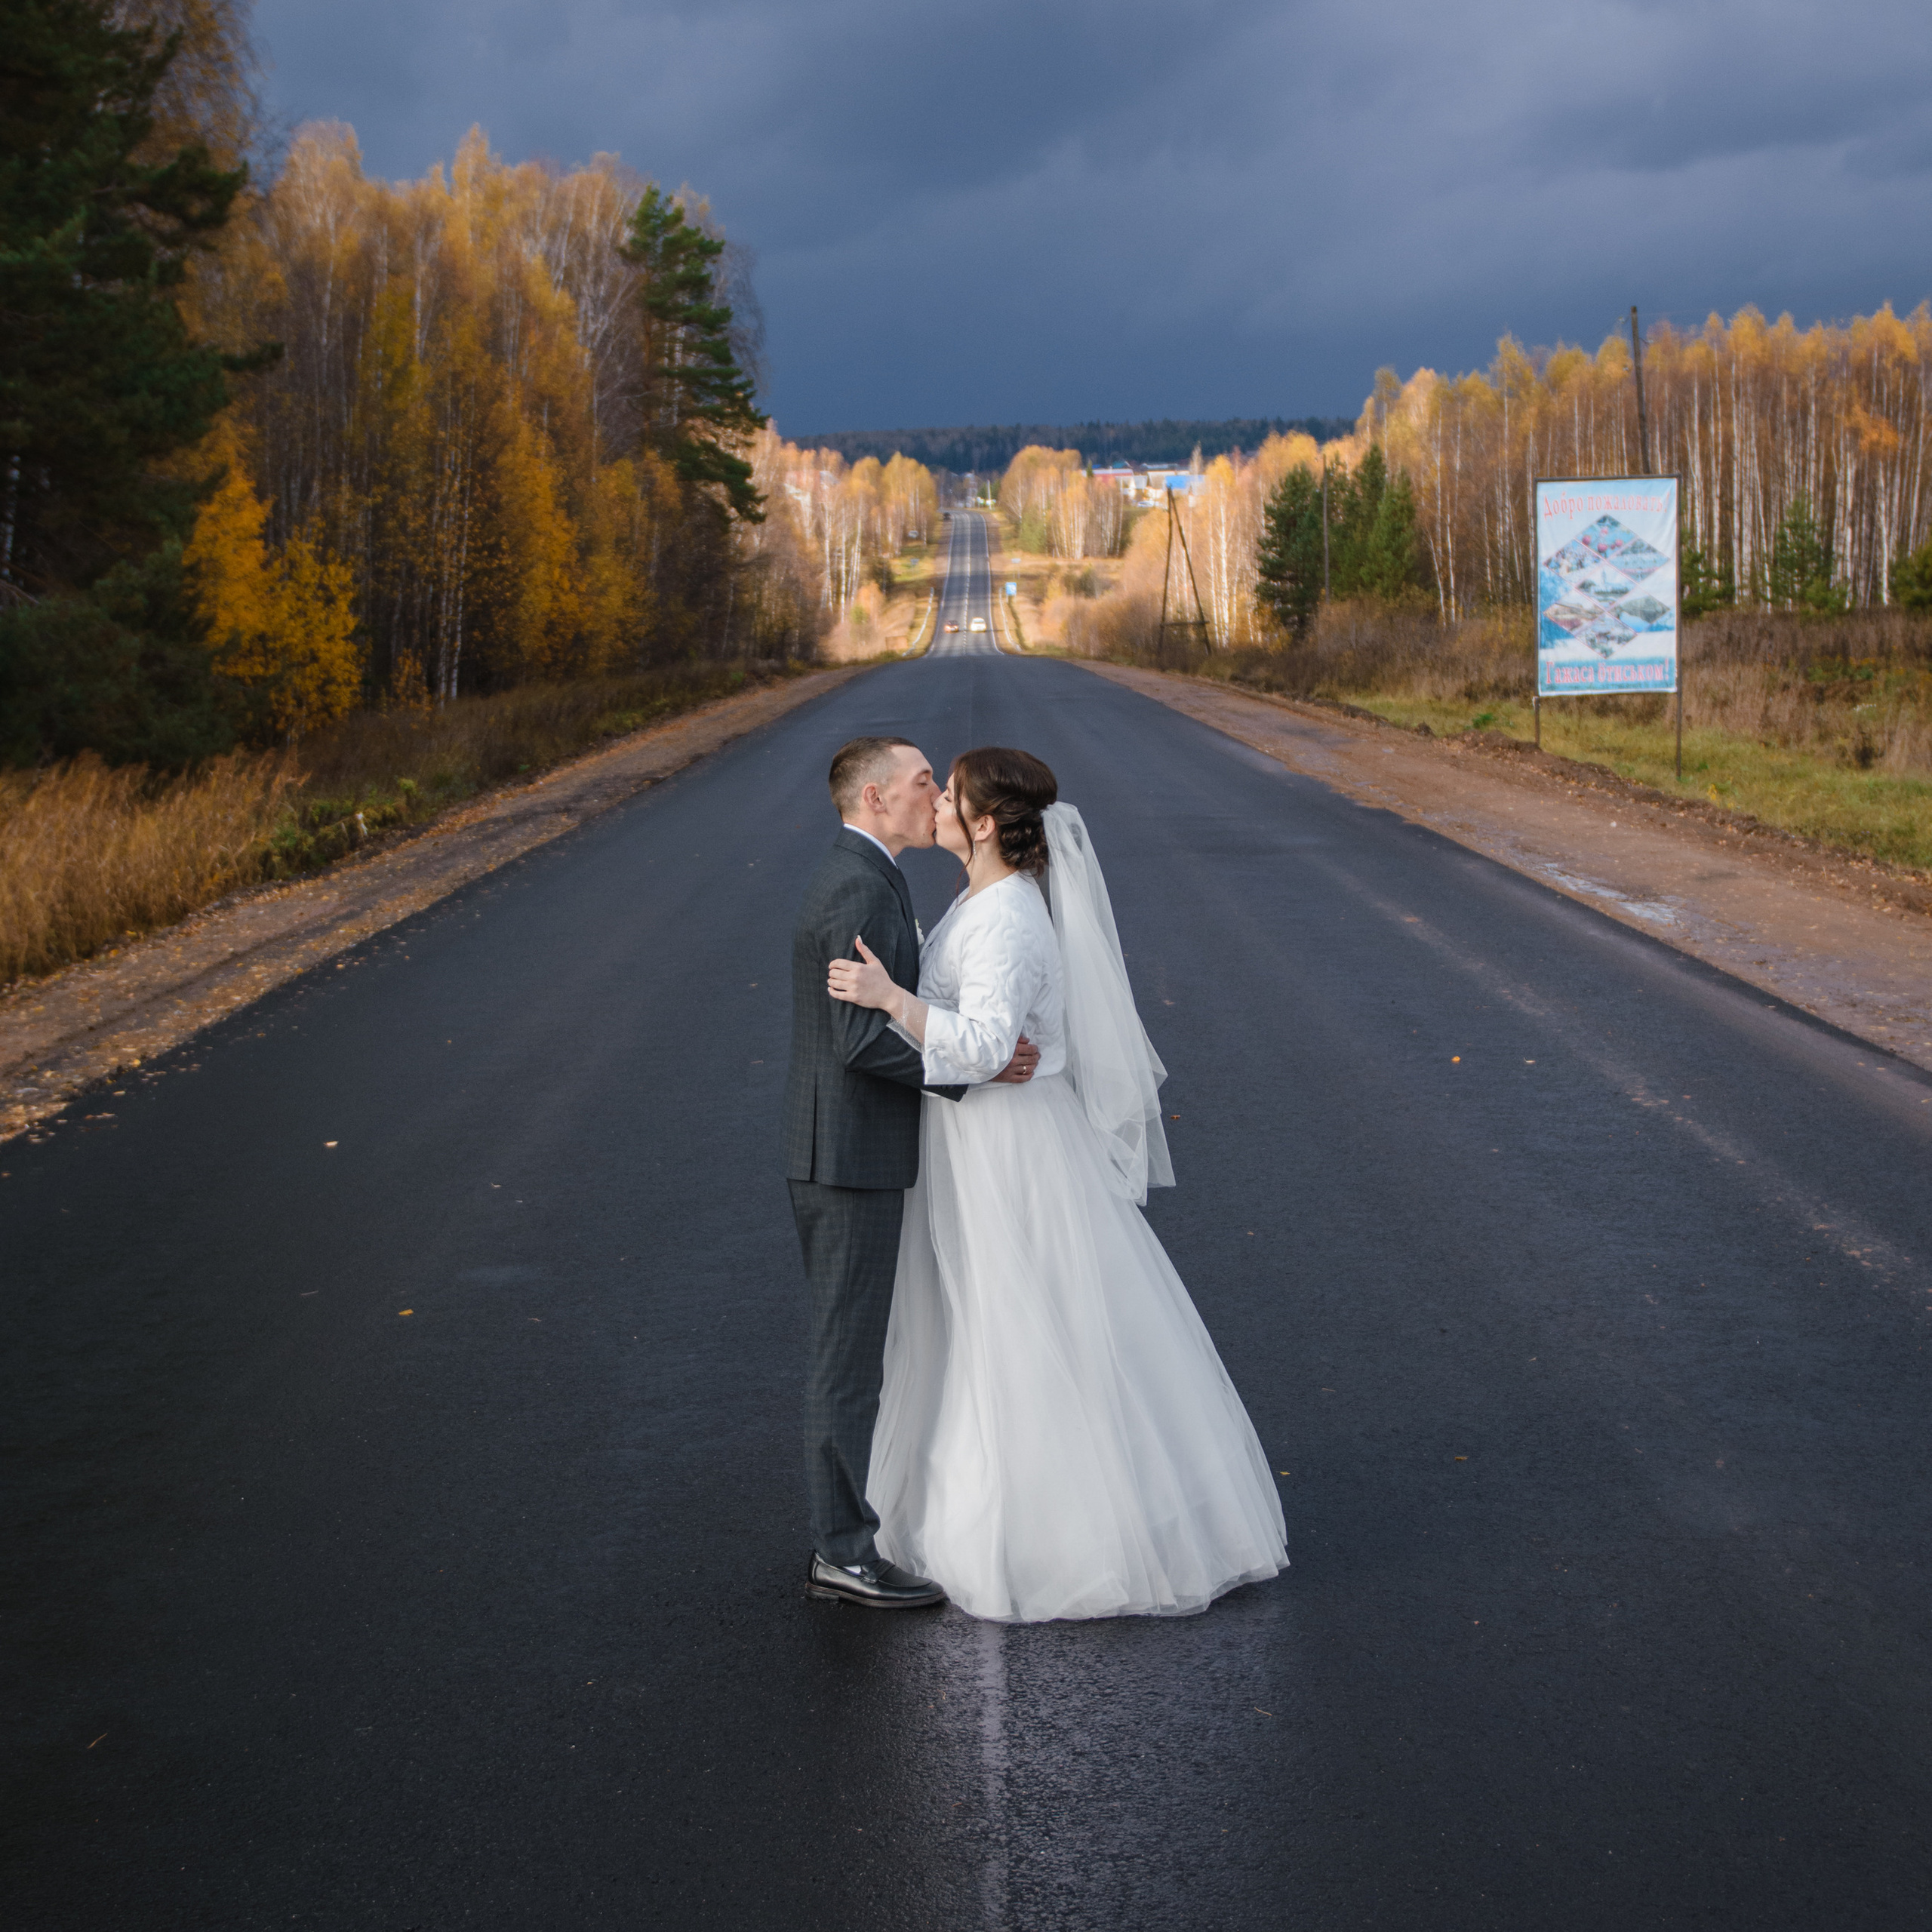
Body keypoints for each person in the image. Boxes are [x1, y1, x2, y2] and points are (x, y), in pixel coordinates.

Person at [827, 746, 1287, 1622]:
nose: (937, 806)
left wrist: (892, 1000)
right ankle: (981, 1507)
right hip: (977, 1137)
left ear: (986, 824)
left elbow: (990, 1045)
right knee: (978, 1324)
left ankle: (1055, 1536)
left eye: (950, 795)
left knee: (1017, 1323)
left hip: (1009, 1150)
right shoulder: (981, 899)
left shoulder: (1004, 918)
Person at [784, 737, 1039, 1610]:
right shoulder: (861, 884)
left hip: (843, 1149)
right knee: (846, 1357)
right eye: (922, 781)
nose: (935, 794)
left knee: (853, 1351)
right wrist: (970, 1064)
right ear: (872, 798)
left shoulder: (868, 872)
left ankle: (848, 1535)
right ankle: (842, 1552)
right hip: (848, 1157)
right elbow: (859, 1042)